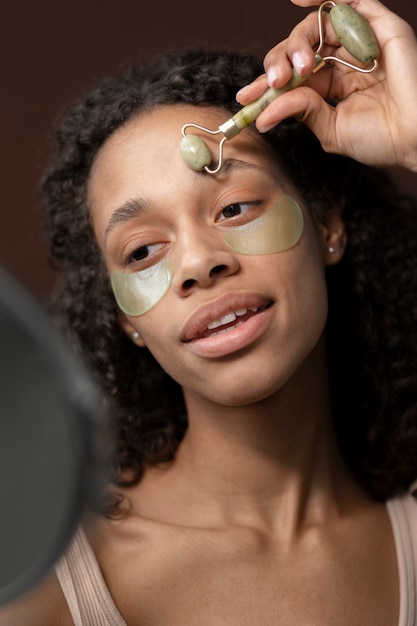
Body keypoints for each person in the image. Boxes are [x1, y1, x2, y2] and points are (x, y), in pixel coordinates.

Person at [1, 0, 417, 623]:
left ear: (328, 224)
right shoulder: (37, 585)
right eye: (142, 250)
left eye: (234, 208)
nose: (198, 264)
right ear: (124, 319)